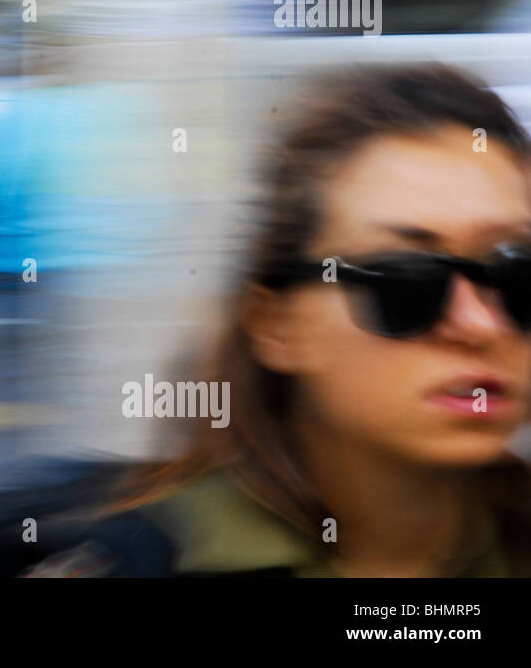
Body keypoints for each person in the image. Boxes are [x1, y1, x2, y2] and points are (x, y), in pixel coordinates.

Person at [28, 63, 531, 577]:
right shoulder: (148, 562)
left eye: (516, 274)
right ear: (276, 325)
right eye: (405, 280)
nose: (479, 324)